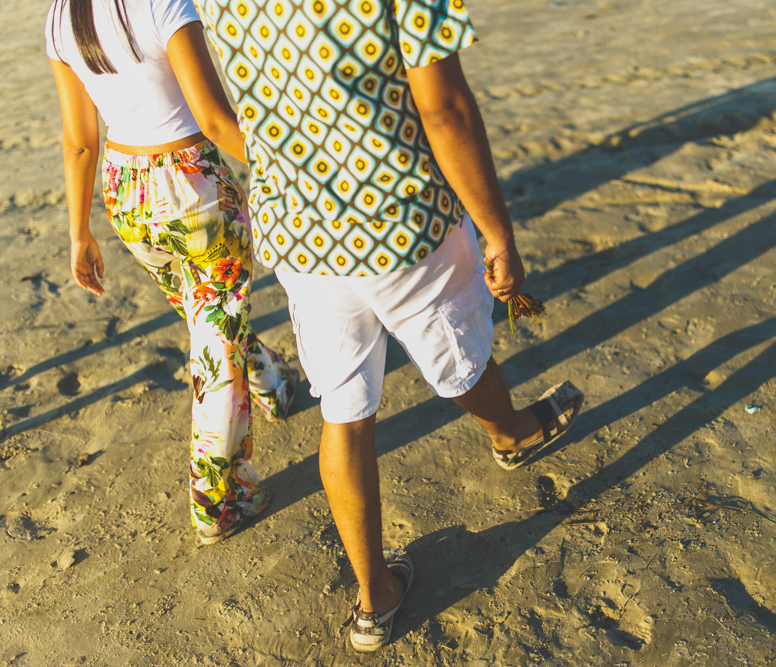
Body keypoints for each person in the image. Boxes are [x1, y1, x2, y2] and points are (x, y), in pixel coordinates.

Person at [193, 0, 585, 651]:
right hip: (400, 222)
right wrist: (499, 234)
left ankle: (374, 600)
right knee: (458, 357)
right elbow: (445, 110)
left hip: (298, 232)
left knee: (343, 413)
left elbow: (220, 108)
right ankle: (511, 432)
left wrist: (295, 166)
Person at [45, 0, 298, 545]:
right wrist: (294, 170)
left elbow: (79, 142)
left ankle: (271, 379)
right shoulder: (163, 2)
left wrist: (79, 233)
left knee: (210, 318)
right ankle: (220, 502)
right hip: (193, 187)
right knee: (214, 337)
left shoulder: (60, 15)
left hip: (126, 194)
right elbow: (212, 118)